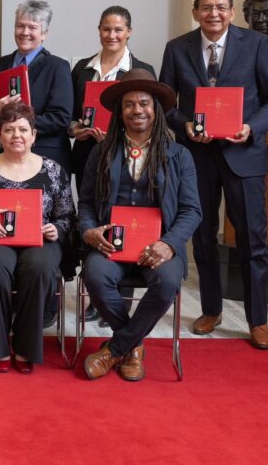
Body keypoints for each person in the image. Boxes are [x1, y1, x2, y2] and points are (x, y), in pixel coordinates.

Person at [160, 0, 268, 350]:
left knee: (253, 240)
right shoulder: (177, 48)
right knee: (202, 236)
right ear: (195, 11)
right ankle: (211, 310)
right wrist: (182, 124)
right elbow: (166, 103)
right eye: (205, 7)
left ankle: (257, 319)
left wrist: (251, 128)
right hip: (196, 157)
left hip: (243, 155)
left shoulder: (256, 45)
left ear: (232, 12)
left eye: (220, 7)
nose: (213, 14)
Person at [80, 69, 201, 381]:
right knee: (94, 273)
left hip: (158, 248)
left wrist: (169, 244)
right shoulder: (101, 151)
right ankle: (133, 347)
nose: (137, 110)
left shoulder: (180, 156)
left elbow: (191, 210)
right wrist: (89, 231)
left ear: (155, 109)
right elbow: (86, 203)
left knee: (167, 281)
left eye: (144, 103)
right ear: (120, 112)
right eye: (129, 104)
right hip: (112, 246)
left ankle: (114, 349)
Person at [0, 102, 75, 373]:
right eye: (9, 130)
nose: (17, 136)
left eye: (23, 129)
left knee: (40, 266)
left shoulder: (53, 170)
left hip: (40, 240)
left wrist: (56, 229)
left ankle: (26, 346)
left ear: (34, 135)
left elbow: (68, 215)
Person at [69, 6, 155, 323]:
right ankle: (98, 299)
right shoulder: (82, 68)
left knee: (126, 218)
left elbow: (148, 115)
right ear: (99, 30)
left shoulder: (141, 69)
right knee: (96, 217)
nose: (112, 35)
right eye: (106, 29)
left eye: (118, 30)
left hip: (128, 156)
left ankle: (119, 302)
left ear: (129, 31)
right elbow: (70, 114)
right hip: (89, 155)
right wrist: (76, 128)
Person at [0, 0, 72, 173]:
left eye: (32, 27)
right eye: (20, 26)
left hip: (44, 156)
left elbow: (61, 118)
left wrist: (15, 126)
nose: (25, 32)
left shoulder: (57, 67)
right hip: (2, 156)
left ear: (44, 33)